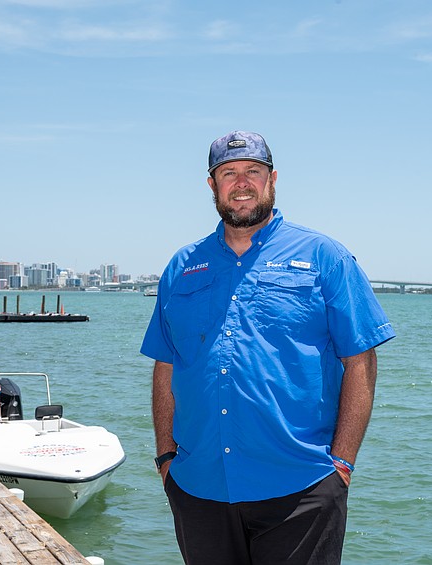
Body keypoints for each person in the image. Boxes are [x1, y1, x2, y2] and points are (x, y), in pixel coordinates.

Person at [140, 131, 396, 564]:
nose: (242, 183)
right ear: (212, 185)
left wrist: (341, 466)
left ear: (273, 179)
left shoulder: (324, 256)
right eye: (229, 173)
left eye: (253, 172)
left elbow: (361, 361)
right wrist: (166, 456)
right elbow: (166, 363)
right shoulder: (182, 267)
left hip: (302, 486)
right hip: (198, 485)